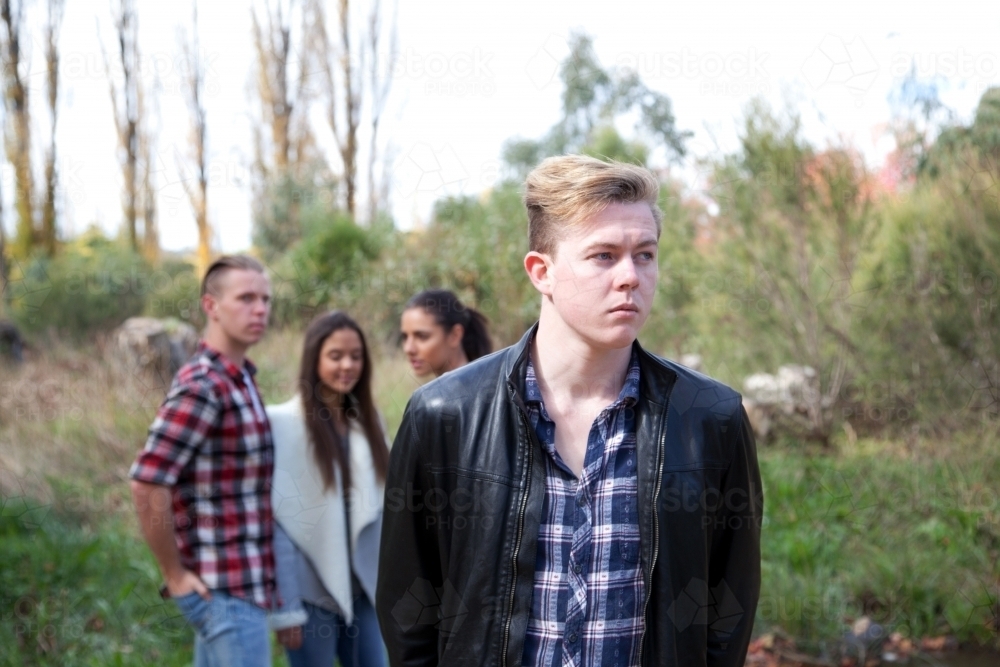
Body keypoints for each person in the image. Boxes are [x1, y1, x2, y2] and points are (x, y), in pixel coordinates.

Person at [376, 155, 762, 667]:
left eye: (645, 254)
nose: (630, 276)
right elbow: (410, 608)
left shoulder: (710, 418)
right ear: (542, 272)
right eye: (603, 255)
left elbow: (727, 605)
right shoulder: (445, 414)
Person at [129, 255, 275, 667]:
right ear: (211, 306)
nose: (260, 308)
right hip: (223, 594)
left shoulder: (241, 376)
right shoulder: (204, 386)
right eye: (246, 298)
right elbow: (147, 480)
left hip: (245, 587)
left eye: (265, 298)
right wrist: (175, 577)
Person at [267, 311, 390, 667]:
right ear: (314, 358)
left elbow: (385, 508)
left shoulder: (368, 422)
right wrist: (286, 608)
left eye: (356, 356)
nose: (347, 365)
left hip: (363, 590)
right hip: (309, 596)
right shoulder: (282, 424)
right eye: (335, 356)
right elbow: (278, 523)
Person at [399, 289, 492, 378]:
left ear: (455, 335)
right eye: (405, 337)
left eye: (422, 337)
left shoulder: (485, 390)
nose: (408, 349)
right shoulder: (436, 392)